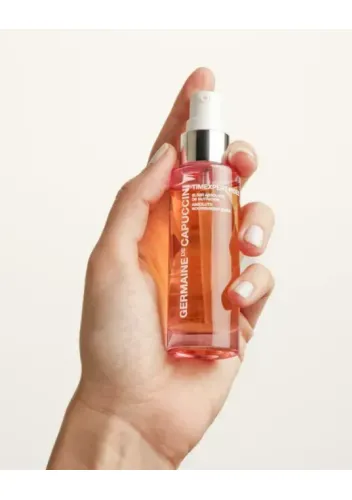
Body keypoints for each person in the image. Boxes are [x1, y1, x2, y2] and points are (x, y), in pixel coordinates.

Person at [47, 68, 275, 470]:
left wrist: (128, 422)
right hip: (168, 348)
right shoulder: (184, 179)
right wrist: (117, 409)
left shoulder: (222, 178)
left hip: (204, 350)